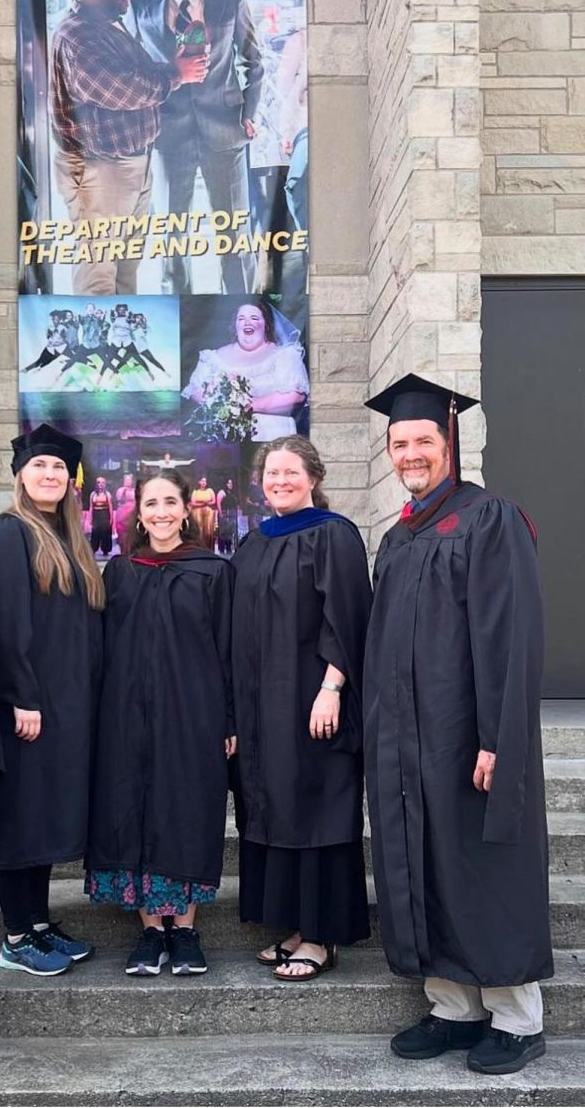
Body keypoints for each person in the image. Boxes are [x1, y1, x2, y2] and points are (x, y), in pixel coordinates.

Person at [363, 373, 552, 1075]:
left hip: (468, 736)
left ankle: (514, 1017)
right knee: (426, 858)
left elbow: (510, 637)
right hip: (408, 740)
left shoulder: (489, 518)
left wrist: (496, 739)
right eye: (399, 443)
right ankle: (452, 1005)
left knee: (483, 864)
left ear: (449, 442)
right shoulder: (398, 538)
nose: (409, 453)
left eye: (422, 440)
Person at [231, 435, 371, 982]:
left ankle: (320, 937)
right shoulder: (254, 543)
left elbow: (350, 616)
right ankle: (292, 927)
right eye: (272, 473)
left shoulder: (333, 536)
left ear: (313, 477)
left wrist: (333, 686)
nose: (281, 481)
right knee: (274, 809)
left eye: (291, 472)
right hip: (263, 710)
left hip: (315, 703)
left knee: (316, 811)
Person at [86, 469, 236, 976]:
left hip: (194, 716)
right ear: (139, 511)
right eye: (151, 503)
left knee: (188, 811)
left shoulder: (212, 571)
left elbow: (230, 650)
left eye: (170, 502)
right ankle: (151, 932)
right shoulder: (120, 572)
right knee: (135, 810)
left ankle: (187, 930)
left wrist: (229, 718)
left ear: (186, 509)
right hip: (126, 717)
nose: (161, 512)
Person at [0, 424, 105, 977]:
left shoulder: (69, 540)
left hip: (65, 708)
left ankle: (41, 922)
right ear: (20, 476)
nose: (49, 475)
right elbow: (3, 629)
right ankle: (17, 935)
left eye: (58, 469)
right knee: (21, 818)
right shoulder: (8, 536)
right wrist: (22, 696)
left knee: (45, 815)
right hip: (25, 710)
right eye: (39, 467)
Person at [50, 0, 208, 296]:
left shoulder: (107, 25)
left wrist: (172, 66)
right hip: (101, 171)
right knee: (99, 275)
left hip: (129, 166)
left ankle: (123, 345)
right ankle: (97, 349)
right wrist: (176, 76)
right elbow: (119, 90)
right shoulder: (77, 34)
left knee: (124, 271)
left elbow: (132, 72)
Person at [132, 0, 264, 294]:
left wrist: (249, 112)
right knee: (173, 233)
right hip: (167, 134)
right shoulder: (142, 6)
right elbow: (134, 71)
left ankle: (242, 313)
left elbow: (254, 60)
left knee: (234, 231)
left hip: (225, 128)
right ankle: (179, 318)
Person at [182, 300, 309, 441]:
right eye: (241, 318)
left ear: (266, 324)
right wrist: (220, 405)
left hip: (273, 434)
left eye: (254, 318)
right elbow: (194, 390)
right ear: (235, 325)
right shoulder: (213, 358)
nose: (247, 323)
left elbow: (296, 396)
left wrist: (248, 406)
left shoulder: (284, 355)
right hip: (224, 438)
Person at [89, 475, 115, 556]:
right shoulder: (93, 494)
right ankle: (93, 549)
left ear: (105, 484)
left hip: (105, 515)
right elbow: (91, 507)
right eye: (99, 482)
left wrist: (111, 519)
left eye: (103, 482)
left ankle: (105, 550)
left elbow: (111, 507)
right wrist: (90, 518)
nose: (101, 484)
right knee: (95, 532)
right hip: (96, 515)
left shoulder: (107, 494)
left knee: (105, 533)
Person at [189, 475, 216, 550]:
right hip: (197, 511)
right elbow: (192, 503)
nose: (204, 483)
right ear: (199, 482)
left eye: (205, 481)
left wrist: (207, 503)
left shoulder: (210, 490)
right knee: (199, 529)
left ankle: (208, 548)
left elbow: (214, 501)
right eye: (202, 481)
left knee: (208, 531)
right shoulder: (195, 491)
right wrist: (202, 503)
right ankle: (199, 547)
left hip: (208, 511)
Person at [216, 476, 240, 554]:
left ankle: (229, 548)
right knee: (223, 532)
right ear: (225, 483)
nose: (230, 484)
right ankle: (222, 549)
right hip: (225, 514)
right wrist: (221, 514)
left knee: (230, 533)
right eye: (229, 483)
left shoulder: (231, 493)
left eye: (231, 483)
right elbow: (218, 503)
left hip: (232, 515)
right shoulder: (222, 492)